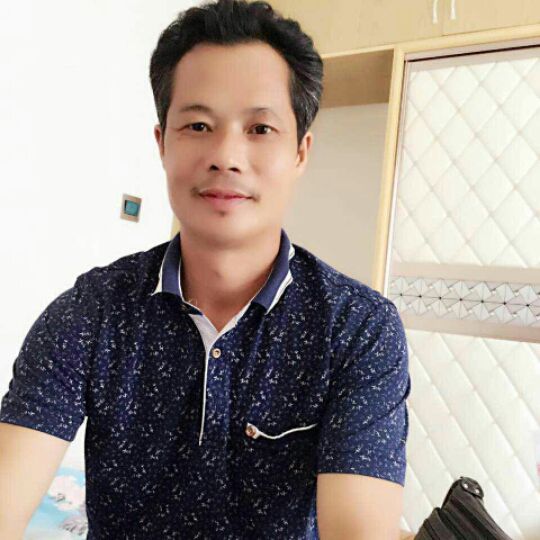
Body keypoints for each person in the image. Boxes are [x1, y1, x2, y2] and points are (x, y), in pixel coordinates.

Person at [0, 0, 413, 538]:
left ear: (300, 152)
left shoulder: (358, 328)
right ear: (162, 144)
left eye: (260, 128)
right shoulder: (91, 311)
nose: (226, 155)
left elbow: (359, 529)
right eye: (198, 125)